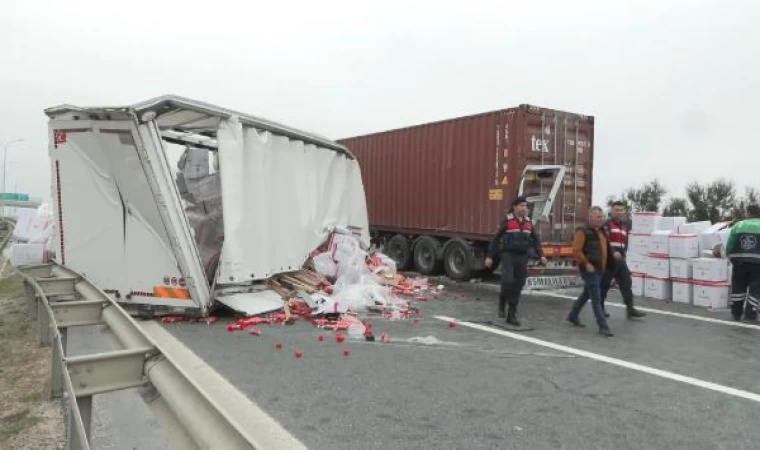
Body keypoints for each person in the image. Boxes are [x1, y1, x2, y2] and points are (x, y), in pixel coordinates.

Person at [485, 196, 547, 326]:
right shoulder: (507, 221)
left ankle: (511, 314)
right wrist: (490, 256)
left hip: (522, 256)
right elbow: (496, 238)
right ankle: (502, 300)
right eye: (522, 206)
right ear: (515, 207)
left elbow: (536, 240)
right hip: (508, 254)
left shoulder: (529, 223)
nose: (524, 208)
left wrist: (541, 255)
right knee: (508, 280)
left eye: (525, 206)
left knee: (518, 285)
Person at [567, 206, 614, 337]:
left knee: (586, 294)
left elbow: (606, 249)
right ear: (591, 217)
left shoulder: (602, 231)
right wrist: (586, 263)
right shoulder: (583, 231)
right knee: (596, 297)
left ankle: (573, 315)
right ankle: (603, 325)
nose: (601, 219)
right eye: (598, 217)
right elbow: (576, 250)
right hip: (589, 269)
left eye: (602, 217)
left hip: (599, 269)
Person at [600, 201, 646, 319]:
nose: (619, 212)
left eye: (621, 210)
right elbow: (605, 241)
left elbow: (625, 241)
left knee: (627, 282)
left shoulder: (624, 225)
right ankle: (600, 308)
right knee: (604, 284)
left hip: (620, 260)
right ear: (612, 211)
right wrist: (613, 252)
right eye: (617, 210)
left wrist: (624, 251)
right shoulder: (607, 224)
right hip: (609, 260)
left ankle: (630, 310)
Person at [726, 204, 760, 321]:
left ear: (748, 213)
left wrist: (728, 255)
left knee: (738, 286)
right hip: (757, 264)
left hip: (739, 262)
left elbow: (730, 243)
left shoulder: (738, 225)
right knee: (755, 288)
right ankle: (750, 314)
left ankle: (736, 312)